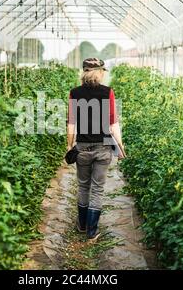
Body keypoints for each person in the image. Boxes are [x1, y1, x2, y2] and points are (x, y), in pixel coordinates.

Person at [67, 58, 126, 241]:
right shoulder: (107, 92)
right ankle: (92, 232)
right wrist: (121, 146)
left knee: (83, 186)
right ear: (100, 72)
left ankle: (82, 225)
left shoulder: (74, 93)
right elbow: (113, 123)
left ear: (84, 72)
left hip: (83, 148)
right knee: (98, 189)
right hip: (103, 148)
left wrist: (70, 146)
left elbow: (71, 124)